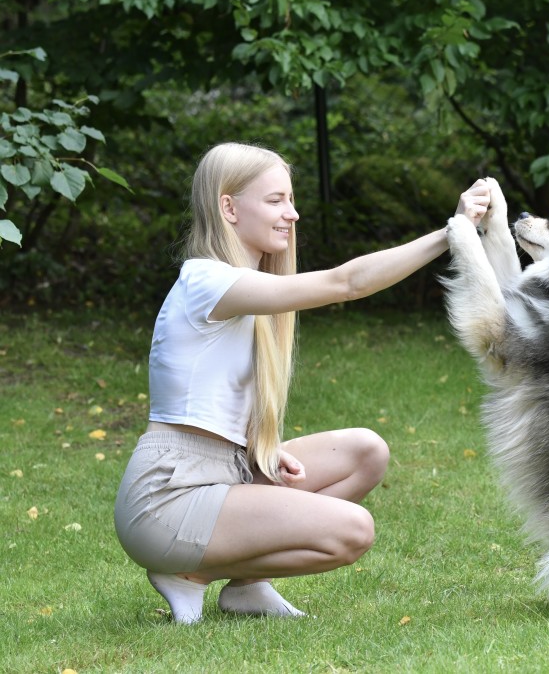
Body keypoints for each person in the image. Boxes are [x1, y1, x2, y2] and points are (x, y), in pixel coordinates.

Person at [114, 141, 491, 624]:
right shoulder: (205, 281)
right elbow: (346, 284)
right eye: (275, 201)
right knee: (352, 530)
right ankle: (191, 573)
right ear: (228, 207)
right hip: (167, 498)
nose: (291, 214)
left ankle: (246, 586)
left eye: (292, 200)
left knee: (365, 452)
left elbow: (207, 395)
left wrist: (256, 451)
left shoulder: (244, 291)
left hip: (224, 472)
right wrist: (452, 233)